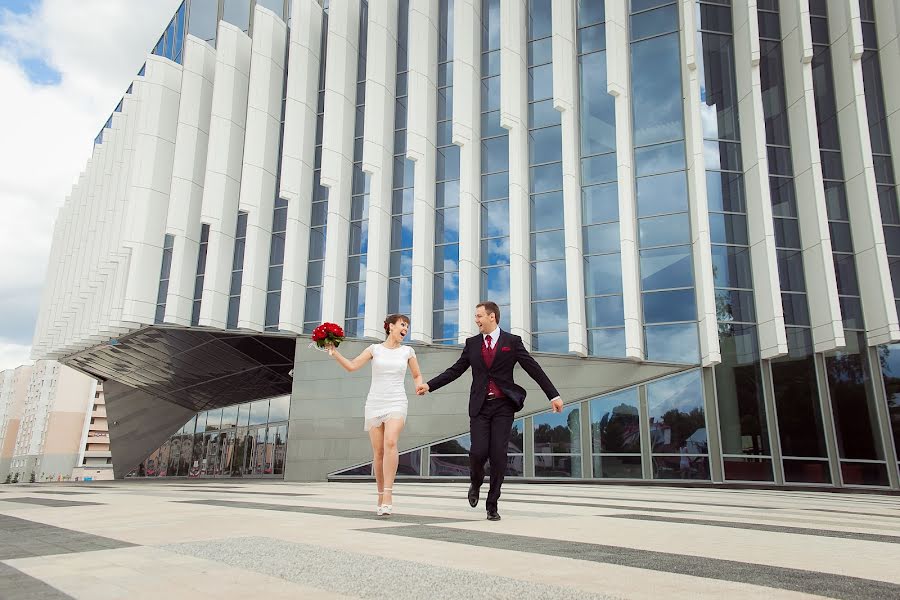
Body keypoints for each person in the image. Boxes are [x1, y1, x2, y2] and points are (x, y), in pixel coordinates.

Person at [416, 301, 563, 521]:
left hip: (503, 406)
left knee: (498, 456)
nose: (476, 320)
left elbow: (533, 368)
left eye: (479, 316)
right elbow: (456, 370)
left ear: (492, 316)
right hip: (480, 406)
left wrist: (553, 395)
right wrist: (430, 385)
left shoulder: (511, 342)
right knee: (477, 453)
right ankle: (475, 482)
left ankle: (492, 504)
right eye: (476, 316)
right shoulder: (473, 343)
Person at [327, 314, 423, 516]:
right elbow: (352, 366)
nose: (405, 329)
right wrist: (334, 353)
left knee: (390, 443)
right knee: (378, 452)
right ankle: (380, 494)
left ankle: (388, 494)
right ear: (390, 327)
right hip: (374, 403)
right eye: (402, 325)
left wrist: (419, 386)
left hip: (397, 401)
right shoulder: (374, 349)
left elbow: (416, 374)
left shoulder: (408, 351)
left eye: (407, 326)